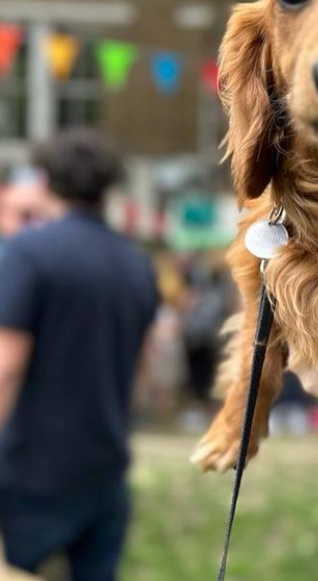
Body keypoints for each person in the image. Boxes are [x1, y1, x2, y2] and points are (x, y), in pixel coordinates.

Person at [0, 129, 159, 581]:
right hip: (106, 464)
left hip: (30, 470)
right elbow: (140, 368)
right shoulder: (136, 262)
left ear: (46, 182)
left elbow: (6, 366)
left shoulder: (28, 253)